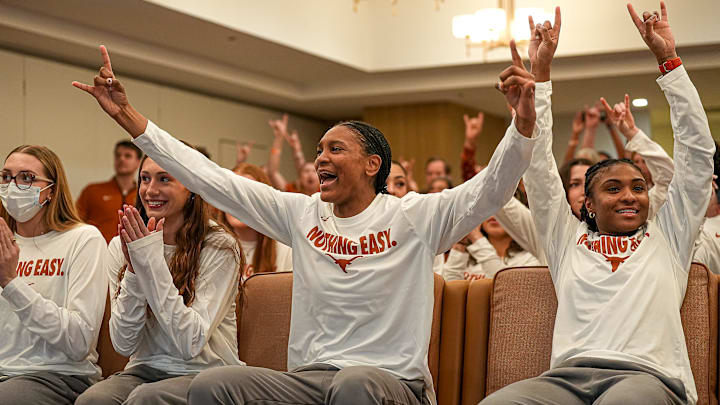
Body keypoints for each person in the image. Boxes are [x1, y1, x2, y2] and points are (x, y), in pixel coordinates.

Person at [74, 39, 540, 405]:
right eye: (318, 150)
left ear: (373, 164)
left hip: (391, 387)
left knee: (354, 386)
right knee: (212, 388)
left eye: (335, 149)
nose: (320, 158)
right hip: (311, 384)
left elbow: (491, 190)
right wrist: (131, 119)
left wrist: (521, 122)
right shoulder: (301, 214)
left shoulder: (414, 216)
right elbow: (211, 179)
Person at [482, 4, 714, 404]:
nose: (629, 196)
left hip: (647, 379)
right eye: (614, 189)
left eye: (639, 188)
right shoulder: (565, 240)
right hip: (566, 380)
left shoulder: (669, 236)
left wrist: (669, 62)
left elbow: (696, 155)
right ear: (587, 204)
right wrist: (542, 78)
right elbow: (538, 170)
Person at [75, 153, 243, 405]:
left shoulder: (220, 246)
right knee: (93, 401)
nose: (150, 190)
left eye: (164, 179)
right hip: (143, 371)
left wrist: (151, 265)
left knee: (147, 399)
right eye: (144, 179)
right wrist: (133, 271)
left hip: (205, 373)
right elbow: (123, 343)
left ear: (192, 188)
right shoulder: (122, 245)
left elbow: (191, 342)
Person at [0, 145, 108, 405]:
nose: (13, 186)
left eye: (26, 178)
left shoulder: (83, 239)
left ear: (51, 190)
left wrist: (11, 283)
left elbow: (79, 340)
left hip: (58, 375)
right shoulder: (4, 241)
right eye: (5, 177)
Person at [217, 163, 292, 280]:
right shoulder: (211, 245)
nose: (236, 201)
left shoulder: (286, 250)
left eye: (247, 194)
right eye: (231, 193)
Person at [76, 140, 142, 243]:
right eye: (118, 155)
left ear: (138, 162)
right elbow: (76, 224)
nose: (121, 159)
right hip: (97, 252)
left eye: (128, 156)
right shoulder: (92, 191)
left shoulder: (143, 195)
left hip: (132, 255)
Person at [443, 217, 540, 281]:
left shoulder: (531, 258)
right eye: (489, 208)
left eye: (502, 208)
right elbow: (449, 290)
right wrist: (460, 244)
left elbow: (503, 286)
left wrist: (476, 236)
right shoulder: (468, 257)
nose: (495, 214)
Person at [266, 114, 320, 196]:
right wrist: (279, 138)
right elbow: (272, 172)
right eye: (306, 171)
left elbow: (300, 162)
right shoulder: (292, 192)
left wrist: (297, 149)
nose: (310, 174)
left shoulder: (327, 193)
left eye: (314, 171)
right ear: (300, 177)